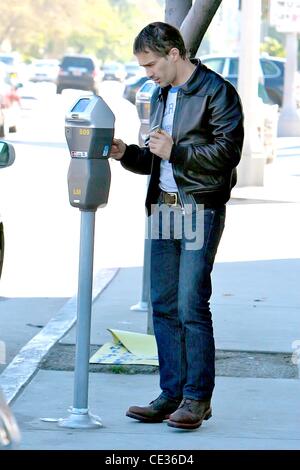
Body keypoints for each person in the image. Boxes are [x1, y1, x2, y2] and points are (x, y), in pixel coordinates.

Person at [110, 22, 244, 430]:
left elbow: (227, 152)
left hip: (198, 208)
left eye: (151, 64)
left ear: (174, 53)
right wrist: (126, 154)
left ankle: (197, 399)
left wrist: (177, 150)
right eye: (143, 66)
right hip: (163, 208)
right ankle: (171, 395)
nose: (147, 73)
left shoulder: (217, 92)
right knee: (163, 307)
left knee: (190, 305)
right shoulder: (159, 94)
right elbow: (158, 158)